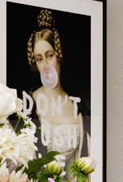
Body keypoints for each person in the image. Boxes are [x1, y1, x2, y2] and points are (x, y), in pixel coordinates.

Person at [24, 11, 85, 161]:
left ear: (59, 55)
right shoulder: (28, 102)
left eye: (49, 55)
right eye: (39, 59)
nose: (45, 65)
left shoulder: (78, 106)